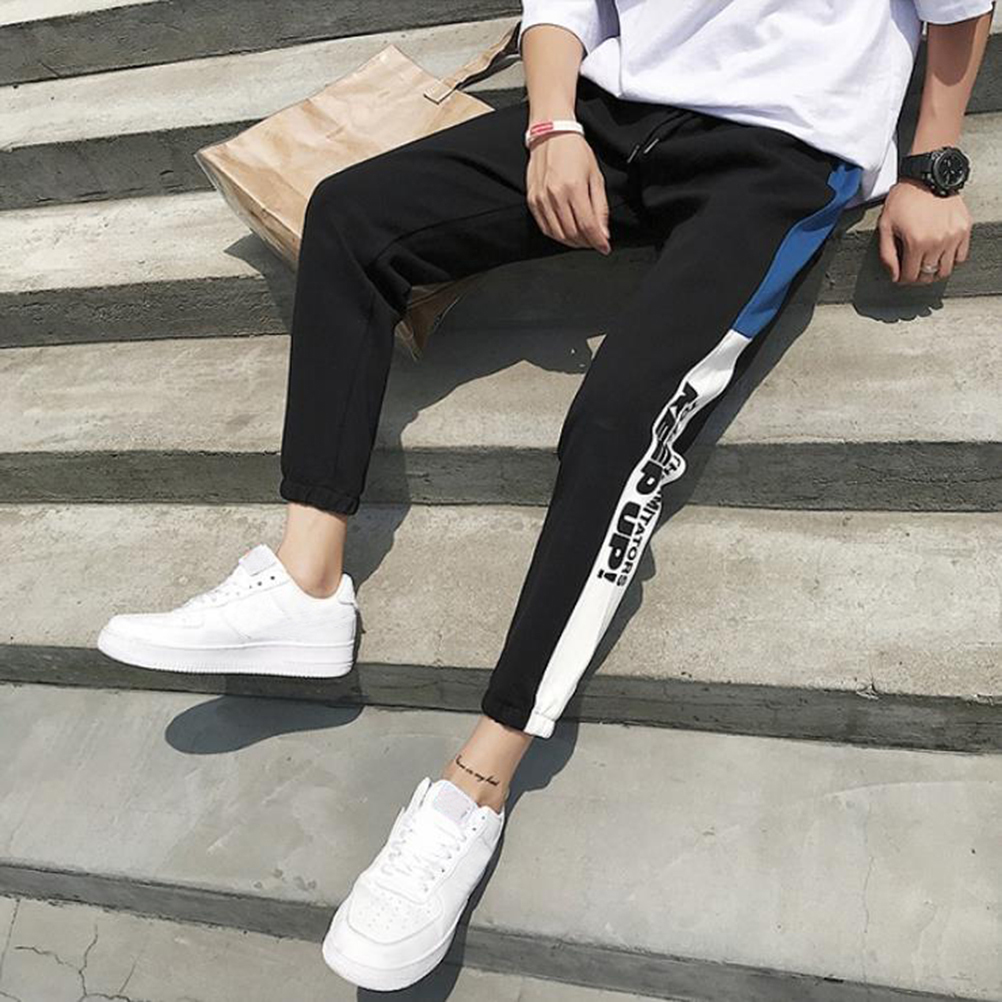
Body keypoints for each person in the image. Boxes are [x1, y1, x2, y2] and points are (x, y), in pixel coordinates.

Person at [97, 0, 994, 992]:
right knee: (352, 212)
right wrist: (553, 124)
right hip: (610, 113)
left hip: (786, 149)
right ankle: (307, 578)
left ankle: (474, 787)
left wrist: (930, 170)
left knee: (620, 419)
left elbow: (959, 9)